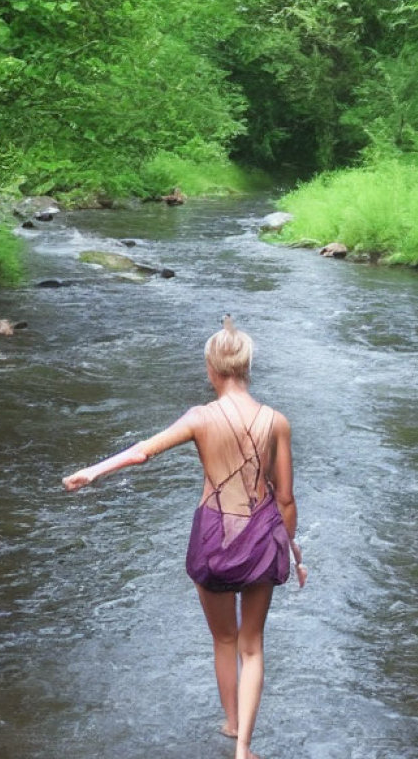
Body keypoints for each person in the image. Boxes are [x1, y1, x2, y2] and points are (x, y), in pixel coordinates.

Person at [62, 315, 306, 759]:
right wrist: (291, 547)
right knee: (252, 647)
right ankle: (245, 749)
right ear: (248, 368)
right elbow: (286, 498)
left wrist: (93, 471)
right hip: (262, 535)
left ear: (211, 370)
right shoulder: (277, 422)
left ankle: (231, 724)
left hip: (214, 535)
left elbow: (142, 452)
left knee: (224, 640)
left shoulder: (199, 418)